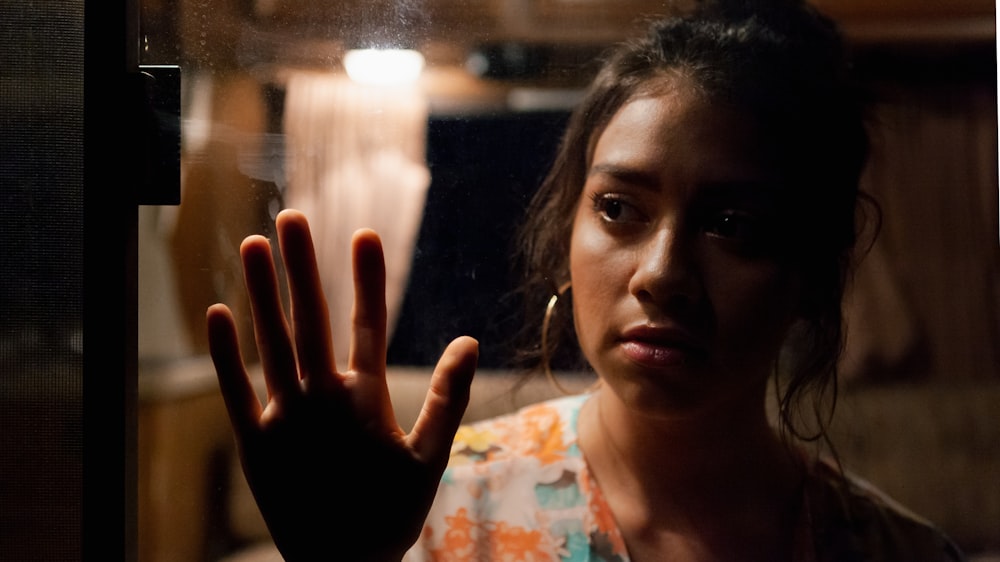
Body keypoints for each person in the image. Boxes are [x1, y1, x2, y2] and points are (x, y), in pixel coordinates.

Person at [206, 1, 967, 560]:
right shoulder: (436, 509)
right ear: (566, 226)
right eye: (618, 209)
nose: (664, 274)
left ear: (812, 268)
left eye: (732, 225)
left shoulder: (895, 552)